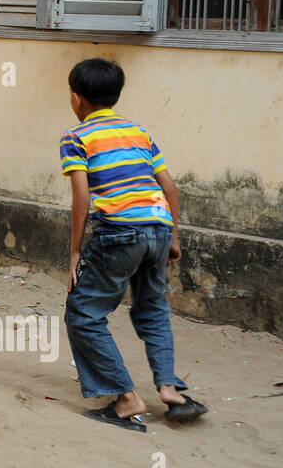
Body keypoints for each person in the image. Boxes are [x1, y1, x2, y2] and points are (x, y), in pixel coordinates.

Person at [60, 58, 207, 431]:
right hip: (157, 229)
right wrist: (172, 237)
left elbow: (82, 198)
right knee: (152, 310)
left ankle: (126, 399)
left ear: (77, 99)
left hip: (119, 234)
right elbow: (169, 188)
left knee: (84, 314)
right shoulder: (138, 132)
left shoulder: (76, 138)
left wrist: (75, 252)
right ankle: (171, 390)